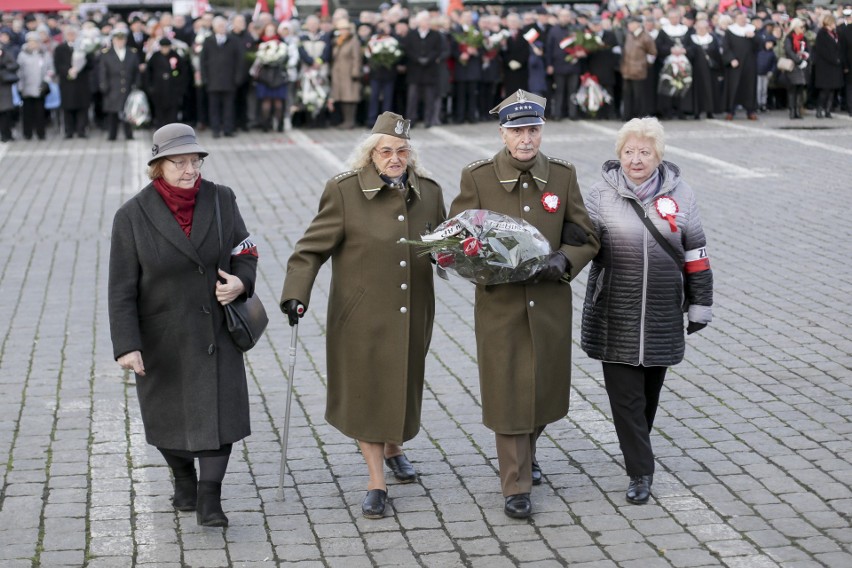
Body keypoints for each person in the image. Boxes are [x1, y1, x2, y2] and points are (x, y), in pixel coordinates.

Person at [280, 112, 446, 519]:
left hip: (412, 314)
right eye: (385, 151)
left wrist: (472, 259)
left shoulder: (428, 191)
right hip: (361, 317)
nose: (394, 158)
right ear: (370, 154)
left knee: (400, 385)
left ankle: (394, 448)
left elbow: (445, 244)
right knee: (368, 392)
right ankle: (376, 482)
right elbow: (309, 250)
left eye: (402, 151)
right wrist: (295, 294)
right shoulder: (344, 192)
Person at [449, 90, 599, 519]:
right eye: (517, 130)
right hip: (501, 306)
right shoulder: (477, 177)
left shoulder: (562, 176)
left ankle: (527, 453)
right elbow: (460, 242)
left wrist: (562, 260)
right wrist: (492, 267)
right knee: (508, 391)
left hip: (549, 304)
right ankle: (515, 484)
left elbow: (585, 235)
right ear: (502, 133)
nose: (526, 138)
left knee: (543, 390)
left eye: (532, 129)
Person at [108, 124, 259, 527]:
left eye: (195, 160)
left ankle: (211, 499)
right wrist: (127, 344)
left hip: (216, 332)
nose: (190, 169)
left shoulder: (222, 199)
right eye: (180, 162)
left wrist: (242, 281)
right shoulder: (132, 216)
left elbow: (245, 250)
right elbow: (120, 289)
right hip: (163, 337)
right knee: (166, 418)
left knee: (220, 415)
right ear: (158, 166)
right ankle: (182, 478)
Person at [580, 117, 713, 506]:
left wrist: (700, 304)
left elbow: (697, 252)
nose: (636, 159)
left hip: (662, 311)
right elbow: (579, 243)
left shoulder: (682, 194)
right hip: (614, 312)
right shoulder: (599, 194)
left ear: (659, 155)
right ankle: (641, 470)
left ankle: (637, 448)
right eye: (629, 151)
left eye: (645, 152)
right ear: (618, 154)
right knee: (626, 399)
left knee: (649, 394)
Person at [200, 16, 241, 138]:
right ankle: (216, 130)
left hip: (229, 80)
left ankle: (228, 129)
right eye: (219, 26)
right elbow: (203, 61)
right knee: (214, 107)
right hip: (213, 81)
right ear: (214, 27)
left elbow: (238, 60)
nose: (222, 28)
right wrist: (204, 78)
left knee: (229, 107)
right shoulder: (208, 41)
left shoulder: (233, 41)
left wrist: (237, 77)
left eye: (223, 26)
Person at [99, 26, 140, 141]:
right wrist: (104, 85)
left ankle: (129, 134)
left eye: (122, 39)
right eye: (117, 39)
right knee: (112, 113)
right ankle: (112, 135)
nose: (120, 42)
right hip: (112, 87)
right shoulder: (106, 54)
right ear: (113, 40)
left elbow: (136, 71)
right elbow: (102, 71)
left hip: (128, 86)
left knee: (128, 112)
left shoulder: (132, 52)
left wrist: (137, 85)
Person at [54, 26, 94, 139]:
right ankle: (69, 131)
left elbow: (91, 64)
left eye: (73, 34)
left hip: (82, 83)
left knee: (83, 107)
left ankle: (81, 130)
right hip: (67, 83)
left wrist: (80, 66)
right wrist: (68, 70)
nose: (71, 36)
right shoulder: (60, 48)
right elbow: (57, 65)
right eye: (69, 34)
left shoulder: (84, 48)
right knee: (67, 108)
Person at [16, 30, 53, 141]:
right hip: (26, 88)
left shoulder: (45, 54)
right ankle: (27, 134)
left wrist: (46, 81)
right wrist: (20, 86)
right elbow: (19, 72)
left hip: (40, 87)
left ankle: (41, 133)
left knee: (40, 112)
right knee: (27, 112)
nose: (32, 44)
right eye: (30, 42)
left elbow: (50, 70)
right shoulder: (22, 55)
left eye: (34, 42)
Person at [722, 10, 760, 120]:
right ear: (735, 19)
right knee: (733, 87)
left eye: (744, 18)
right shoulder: (730, 31)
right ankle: (731, 111)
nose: (743, 20)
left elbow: (760, 45)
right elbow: (726, 47)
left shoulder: (752, 30)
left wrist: (753, 37)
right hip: (735, 64)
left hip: (749, 64)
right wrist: (731, 59)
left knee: (749, 87)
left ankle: (750, 111)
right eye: (740, 18)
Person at [144, 38, 189, 129]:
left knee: (172, 113)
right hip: (158, 90)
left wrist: (180, 88)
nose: (165, 49)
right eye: (163, 47)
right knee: (159, 112)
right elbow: (148, 73)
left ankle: (172, 130)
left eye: (167, 47)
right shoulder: (155, 57)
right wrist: (150, 88)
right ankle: (160, 129)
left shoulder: (175, 56)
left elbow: (183, 72)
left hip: (173, 90)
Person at [621, 17, 657, 121]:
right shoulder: (628, 36)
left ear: (638, 24)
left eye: (631, 24)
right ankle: (627, 115)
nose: (629, 26)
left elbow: (652, 53)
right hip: (627, 69)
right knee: (627, 94)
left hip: (639, 71)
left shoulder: (646, 37)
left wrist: (645, 65)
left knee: (639, 95)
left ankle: (640, 116)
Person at [328, 19, 362, 129]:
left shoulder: (354, 42)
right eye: (341, 29)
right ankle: (345, 120)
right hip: (338, 73)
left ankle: (350, 121)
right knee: (342, 97)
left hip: (349, 73)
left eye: (344, 29)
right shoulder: (337, 41)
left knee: (350, 98)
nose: (342, 31)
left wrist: (355, 72)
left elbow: (357, 58)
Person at [813, 14, 843, 118]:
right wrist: (834, 59)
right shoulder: (822, 34)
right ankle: (819, 109)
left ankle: (828, 110)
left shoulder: (834, 34)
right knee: (825, 90)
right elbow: (822, 51)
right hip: (825, 67)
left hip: (834, 67)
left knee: (832, 90)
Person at [780, 18, 809, 119]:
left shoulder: (803, 38)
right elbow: (789, 51)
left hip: (802, 66)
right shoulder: (789, 37)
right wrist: (799, 60)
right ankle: (792, 111)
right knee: (792, 90)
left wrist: (805, 56)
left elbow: (807, 49)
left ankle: (798, 110)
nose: (803, 29)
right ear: (795, 27)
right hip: (793, 66)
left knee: (800, 90)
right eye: (801, 27)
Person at [0, 34, 20, 143]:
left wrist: (3, 67)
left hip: (4, 86)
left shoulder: (4, 52)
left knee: (6, 112)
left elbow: (14, 65)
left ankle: (7, 134)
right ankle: (4, 134)